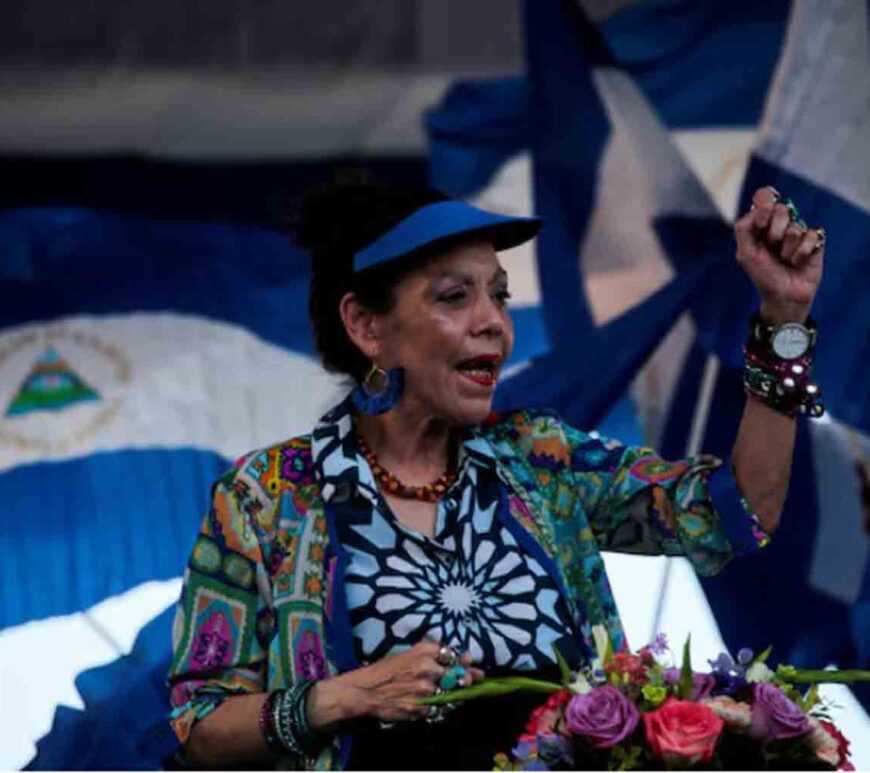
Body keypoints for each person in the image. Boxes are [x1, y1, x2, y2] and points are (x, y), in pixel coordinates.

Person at [167, 182, 826, 769]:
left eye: (500, 296)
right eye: (456, 296)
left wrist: (785, 321)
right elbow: (200, 724)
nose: (495, 323)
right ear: (367, 325)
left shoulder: (540, 457)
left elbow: (737, 511)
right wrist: (343, 696)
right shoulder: (266, 495)